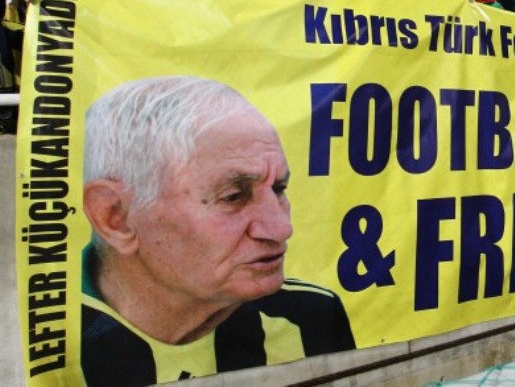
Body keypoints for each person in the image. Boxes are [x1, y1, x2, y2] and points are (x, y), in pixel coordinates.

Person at [80, 76, 356, 385]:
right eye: (233, 197)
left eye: (278, 188)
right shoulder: (48, 335)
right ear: (115, 217)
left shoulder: (310, 315)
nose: (281, 228)